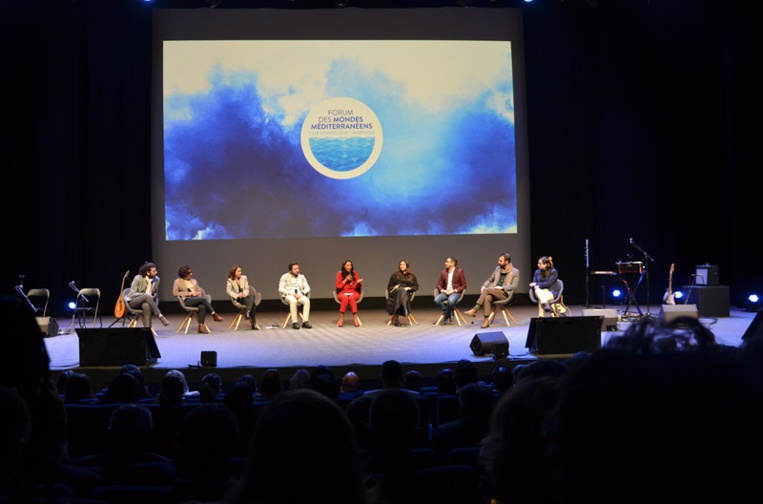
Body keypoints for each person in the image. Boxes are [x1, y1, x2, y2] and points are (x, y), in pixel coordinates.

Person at [464, 252, 520, 328]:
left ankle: (475, 309)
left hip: (504, 294)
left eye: (500, 261)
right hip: (494, 291)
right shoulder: (498, 268)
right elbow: (490, 279)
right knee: (487, 297)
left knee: (487, 290)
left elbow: (514, 285)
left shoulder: (515, 271)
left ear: (506, 261)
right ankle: (486, 321)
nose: (498, 262)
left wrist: (503, 287)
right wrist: (484, 285)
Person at [172, 264, 224, 334]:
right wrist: (188, 294)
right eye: (189, 273)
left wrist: (197, 293)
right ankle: (214, 315)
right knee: (203, 299)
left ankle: (200, 327)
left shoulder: (194, 281)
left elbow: (199, 290)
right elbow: (175, 293)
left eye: (191, 272)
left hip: (196, 298)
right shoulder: (177, 281)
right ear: (184, 273)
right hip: (187, 300)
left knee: (202, 307)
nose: (191, 274)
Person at [124, 261, 171, 328]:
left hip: (146, 302)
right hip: (133, 301)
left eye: (156, 270)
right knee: (146, 296)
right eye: (154, 271)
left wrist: (153, 296)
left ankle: (147, 331)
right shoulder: (138, 278)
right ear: (148, 273)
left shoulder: (157, 279)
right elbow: (132, 293)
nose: (156, 272)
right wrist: (145, 295)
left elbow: (155, 293)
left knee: (146, 306)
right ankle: (160, 316)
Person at [278, 262, 312, 330]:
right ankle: (295, 322)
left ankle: (305, 322)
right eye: (295, 269)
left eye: (298, 268)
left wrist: (302, 293)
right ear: (291, 270)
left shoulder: (302, 277)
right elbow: (280, 288)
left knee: (306, 300)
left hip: (299, 295)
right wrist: (290, 293)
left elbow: (307, 287)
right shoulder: (285, 276)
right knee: (293, 300)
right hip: (288, 295)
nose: (297, 270)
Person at [434, 257, 467, 325]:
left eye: (447, 262)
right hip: (446, 292)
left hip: (455, 292)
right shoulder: (444, 272)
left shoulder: (459, 271)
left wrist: (454, 290)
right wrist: (443, 290)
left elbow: (464, 285)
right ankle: (449, 313)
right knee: (437, 300)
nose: (445, 263)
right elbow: (438, 284)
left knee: (451, 300)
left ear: (452, 263)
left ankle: (446, 316)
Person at [386, 259, 419, 327]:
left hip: (406, 294)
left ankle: (396, 319)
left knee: (403, 291)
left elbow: (416, 286)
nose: (401, 266)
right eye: (400, 264)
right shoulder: (395, 275)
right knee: (401, 290)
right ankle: (405, 308)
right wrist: (394, 287)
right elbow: (389, 286)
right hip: (395, 293)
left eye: (403, 264)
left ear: (407, 266)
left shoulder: (411, 276)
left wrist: (408, 288)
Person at [226, 264, 258, 330]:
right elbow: (228, 291)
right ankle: (253, 323)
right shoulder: (230, 280)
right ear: (234, 272)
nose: (240, 272)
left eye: (240, 271)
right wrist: (237, 295)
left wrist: (244, 294)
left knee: (252, 296)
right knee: (253, 304)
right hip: (238, 298)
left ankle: (248, 312)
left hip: (245, 296)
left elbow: (247, 288)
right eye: (238, 271)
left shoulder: (244, 278)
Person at [335, 259, 363, 327]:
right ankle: (341, 319)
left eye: (350, 265)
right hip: (342, 293)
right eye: (347, 265)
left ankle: (355, 319)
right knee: (345, 298)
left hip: (354, 292)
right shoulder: (339, 273)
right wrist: (346, 279)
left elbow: (358, 287)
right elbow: (338, 286)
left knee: (351, 297)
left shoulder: (354, 273)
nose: (349, 267)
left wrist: (359, 283)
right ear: (344, 266)